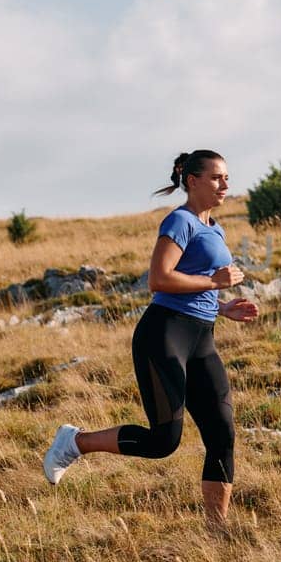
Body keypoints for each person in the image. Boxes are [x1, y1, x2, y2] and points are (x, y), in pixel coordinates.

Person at [42, 150, 259, 523]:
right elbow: (159, 279)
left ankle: (217, 532)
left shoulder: (215, 228)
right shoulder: (180, 222)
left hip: (201, 339)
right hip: (164, 335)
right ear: (192, 182)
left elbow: (195, 285)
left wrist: (222, 307)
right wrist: (214, 281)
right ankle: (75, 442)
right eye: (216, 177)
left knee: (222, 435)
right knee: (163, 441)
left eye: (226, 178)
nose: (225, 184)